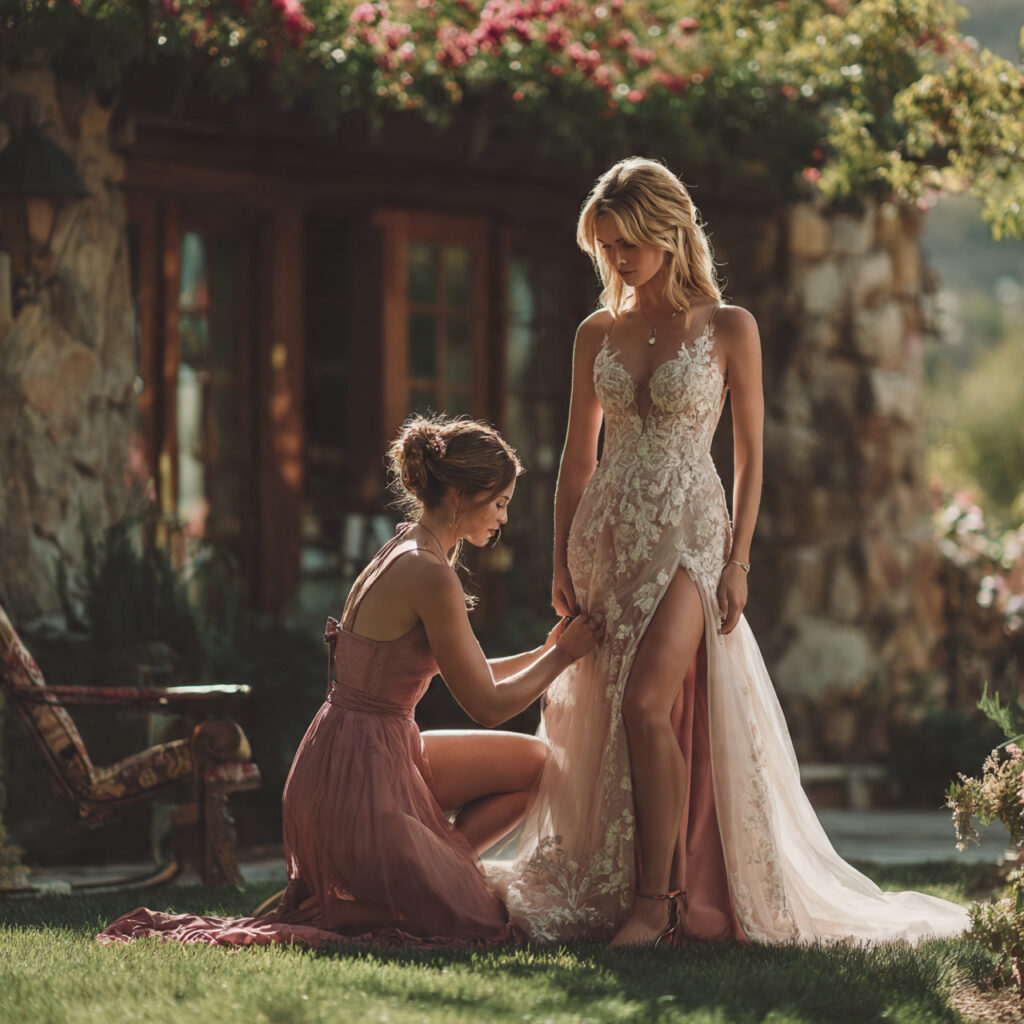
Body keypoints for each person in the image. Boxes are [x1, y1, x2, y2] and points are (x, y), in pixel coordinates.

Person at [485, 157, 969, 946]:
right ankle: (640, 882)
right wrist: (557, 561)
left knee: (646, 701)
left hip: (690, 531)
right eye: (605, 247)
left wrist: (737, 559)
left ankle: (658, 900)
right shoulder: (594, 333)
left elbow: (750, 457)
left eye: (629, 242)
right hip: (607, 533)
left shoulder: (727, 326)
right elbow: (576, 461)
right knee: (617, 711)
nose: (617, 260)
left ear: (669, 229)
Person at [100, 416, 601, 948]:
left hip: (354, 753)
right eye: (498, 502)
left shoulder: (409, 547)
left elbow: (471, 669)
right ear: (459, 495)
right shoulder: (430, 574)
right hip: (358, 777)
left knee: (534, 765)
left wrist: (548, 650)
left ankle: (435, 877)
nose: (503, 518)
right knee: (474, 922)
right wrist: (562, 659)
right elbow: (486, 704)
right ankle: (378, 903)